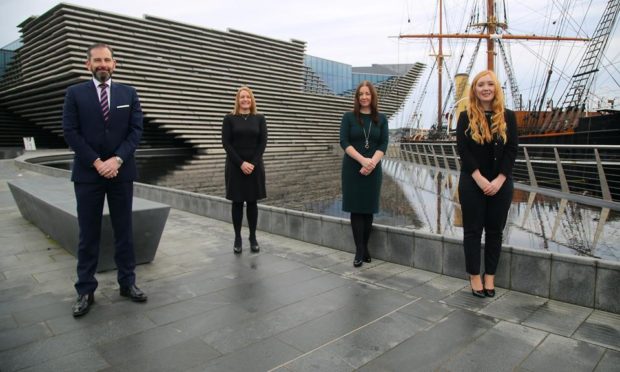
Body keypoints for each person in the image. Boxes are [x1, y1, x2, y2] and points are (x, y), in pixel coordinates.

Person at [62, 42, 147, 317]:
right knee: (88, 234)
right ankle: (85, 290)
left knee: (124, 231)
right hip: (89, 174)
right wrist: (98, 162)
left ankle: (128, 283)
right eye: (97, 60)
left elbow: (135, 132)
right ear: (88, 64)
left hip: (122, 173)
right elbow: (71, 132)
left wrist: (117, 160)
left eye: (107, 60)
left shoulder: (129, 92)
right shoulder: (75, 93)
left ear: (114, 63)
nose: (102, 65)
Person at [456, 70, 518, 298]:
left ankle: (490, 276)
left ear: (496, 88)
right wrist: (480, 179)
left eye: (490, 84)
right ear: (474, 89)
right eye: (480, 84)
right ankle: (474, 276)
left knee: (495, 232)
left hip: (501, 183)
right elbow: (463, 150)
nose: (485, 88)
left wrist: (500, 179)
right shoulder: (465, 116)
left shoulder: (508, 117)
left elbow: (512, 150)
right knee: (473, 231)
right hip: (473, 182)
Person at [340, 81, 389, 267]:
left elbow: (383, 144)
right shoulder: (349, 117)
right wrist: (362, 160)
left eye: (367, 94)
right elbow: (344, 141)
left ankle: (364, 247)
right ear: (357, 97)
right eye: (361, 94)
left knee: (368, 209)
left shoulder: (382, 119)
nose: (364, 97)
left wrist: (372, 163)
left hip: (373, 169)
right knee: (356, 209)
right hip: (352, 169)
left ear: (372, 96)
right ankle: (360, 250)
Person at [221, 86, 268, 254]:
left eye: (248, 97)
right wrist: (241, 163)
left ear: (252, 99)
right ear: (238, 100)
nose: (245, 100)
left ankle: (253, 237)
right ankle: (237, 238)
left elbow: (262, 143)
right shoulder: (229, 118)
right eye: (242, 97)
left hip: (254, 167)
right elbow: (226, 143)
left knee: (253, 202)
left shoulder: (260, 118)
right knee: (237, 202)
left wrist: (252, 163)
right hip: (235, 166)